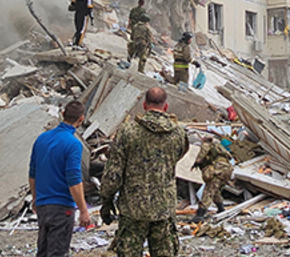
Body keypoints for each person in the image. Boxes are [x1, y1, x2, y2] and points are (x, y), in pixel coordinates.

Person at [101, 87, 189, 257]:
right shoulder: (178, 133)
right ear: (166, 106)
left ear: (144, 105)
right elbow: (179, 155)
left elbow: (113, 174)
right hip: (163, 208)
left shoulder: (127, 132)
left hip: (133, 209)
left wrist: (107, 201)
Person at [29, 100, 94, 257]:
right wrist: (84, 210)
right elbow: (73, 180)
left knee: (43, 252)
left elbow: (32, 174)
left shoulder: (41, 139)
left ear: (63, 114)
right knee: (58, 252)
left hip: (43, 205)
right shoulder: (73, 144)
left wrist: (35, 198)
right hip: (62, 207)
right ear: (81, 119)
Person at [192, 136, 233, 223]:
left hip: (218, 169)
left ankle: (200, 215)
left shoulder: (208, 145)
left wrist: (197, 162)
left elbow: (202, 153)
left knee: (209, 190)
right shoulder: (219, 147)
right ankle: (221, 209)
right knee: (215, 190)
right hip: (227, 169)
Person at [127, 0, 151, 72]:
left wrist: (129, 25)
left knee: (131, 49)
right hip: (142, 43)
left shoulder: (133, 9)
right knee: (143, 56)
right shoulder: (146, 28)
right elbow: (148, 38)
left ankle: (129, 60)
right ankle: (140, 70)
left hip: (134, 38)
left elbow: (132, 36)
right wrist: (149, 45)